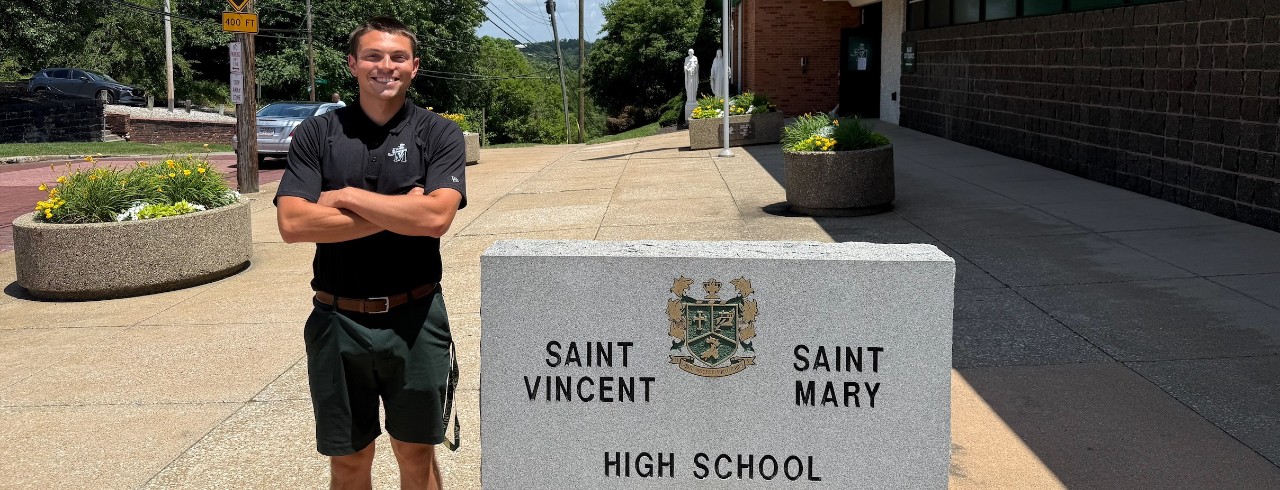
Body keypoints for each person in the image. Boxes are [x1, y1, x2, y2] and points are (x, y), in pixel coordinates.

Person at [274, 16, 466, 490]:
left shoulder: (439, 133)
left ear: (414, 67)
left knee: (416, 454)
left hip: (416, 315)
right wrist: (404, 209)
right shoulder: (318, 133)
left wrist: (345, 197)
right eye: (374, 56)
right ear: (353, 64)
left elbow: (436, 219)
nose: (386, 66)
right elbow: (293, 224)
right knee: (350, 460)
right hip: (338, 318)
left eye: (398, 57)